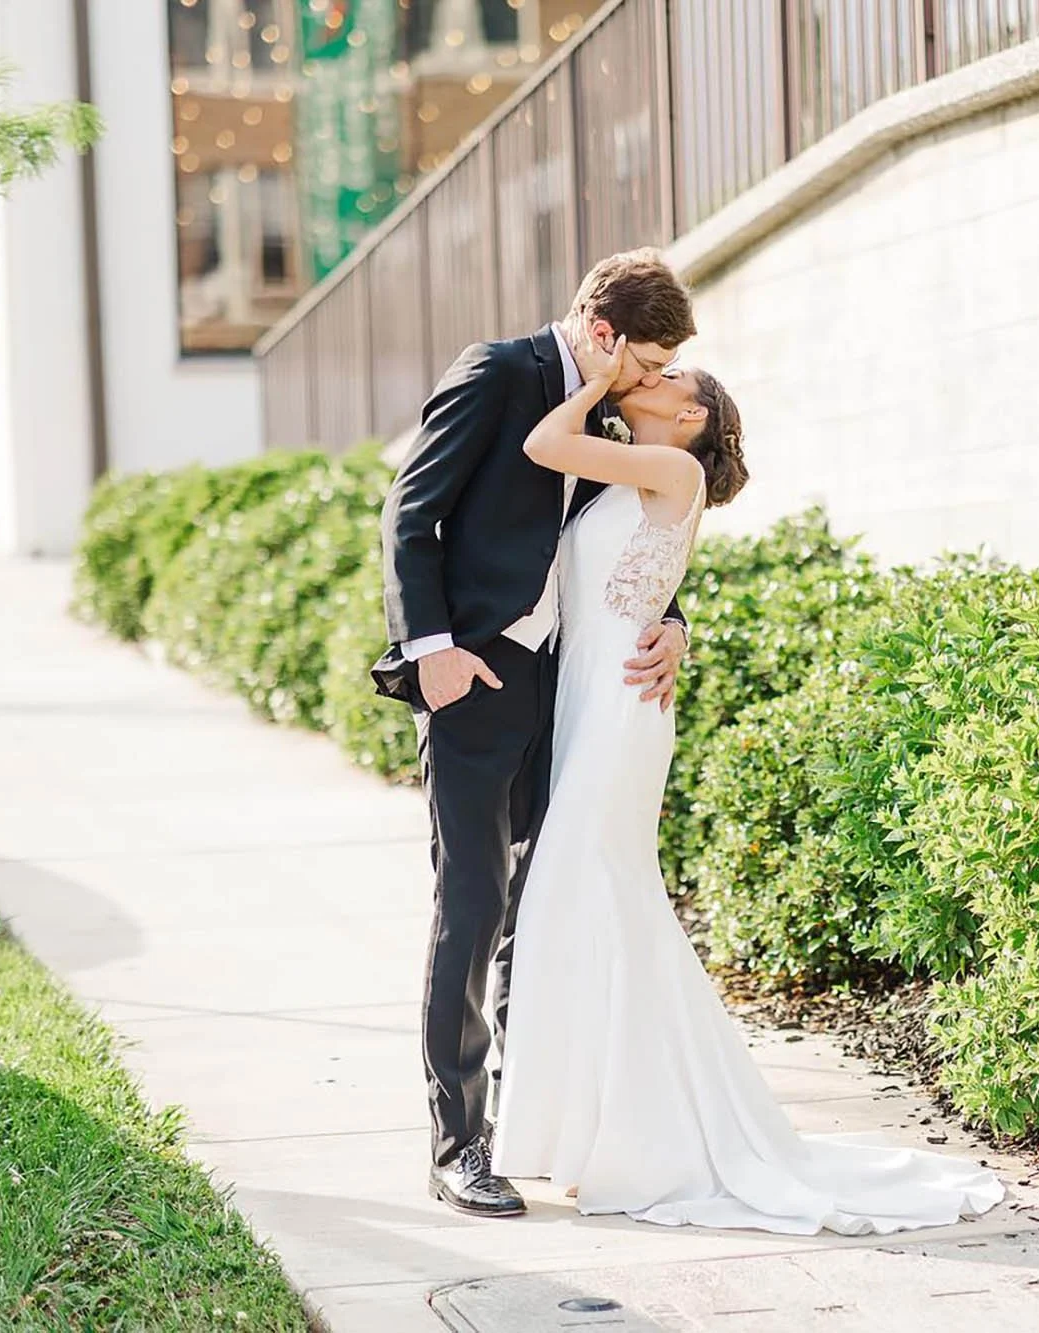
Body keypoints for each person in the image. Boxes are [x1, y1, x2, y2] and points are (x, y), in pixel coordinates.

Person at [489, 330, 1005, 1236]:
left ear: (689, 416)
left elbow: (541, 443)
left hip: (619, 712)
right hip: (589, 702)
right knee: (581, 899)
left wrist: (605, 376)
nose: (647, 377)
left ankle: (643, 1136)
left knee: (593, 892)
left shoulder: (669, 471)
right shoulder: (629, 473)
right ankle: (591, 1127)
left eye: (667, 376)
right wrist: (674, 625)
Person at [374, 249, 695, 1218]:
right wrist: (429, 650)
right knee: (472, 902)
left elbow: (646, 541)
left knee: (541, 906)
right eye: (644, 363)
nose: (649, 384)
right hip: (475, 678)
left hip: (572, 692)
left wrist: (675, 625)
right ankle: (457, 1143)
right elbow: (409, 512)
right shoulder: (497, 372)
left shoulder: (607, 413)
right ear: (603, 335)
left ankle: (529, 1122)